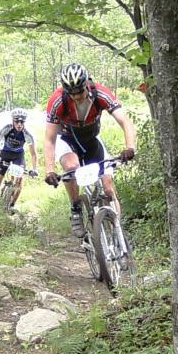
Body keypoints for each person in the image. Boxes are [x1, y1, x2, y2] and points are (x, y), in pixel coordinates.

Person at [42, 63, 137, 238]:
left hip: (91, 139)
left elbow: (125, 121)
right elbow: (49, 139)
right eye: (72, 93)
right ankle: (76, 207)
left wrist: (130, 147)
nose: (77, 97)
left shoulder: (100, 93)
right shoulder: (57, 101)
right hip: (67, 139)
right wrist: (50, 170)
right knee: (72, 167)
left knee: (108, 188)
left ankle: (118, 234)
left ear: (86, 84)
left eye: (80, 92)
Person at [0, 108, 38, 206]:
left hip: (18, 157)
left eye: (22, 122)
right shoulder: (6, 128)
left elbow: (33, 154)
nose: (19, 124)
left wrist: (35, 169)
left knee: (19, 182)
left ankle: (11, 205)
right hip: (4, 154)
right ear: (12, 121)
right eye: (17, 121)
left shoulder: (27, 134)